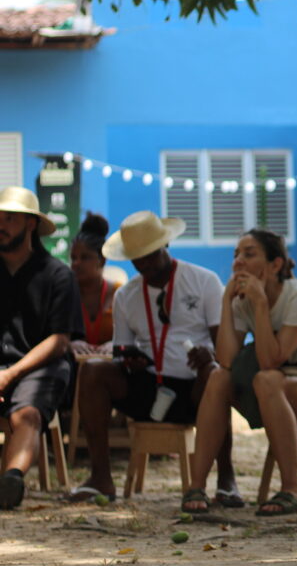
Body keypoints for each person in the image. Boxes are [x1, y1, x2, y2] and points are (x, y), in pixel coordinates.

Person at [182, 228, 297, 516]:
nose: (238, 262)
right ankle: (196, 485)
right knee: (218, 377)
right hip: (276, 391)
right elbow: (225, 360)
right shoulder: (241, 301)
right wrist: (226, 302)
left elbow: (272, 360)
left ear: (275, 265)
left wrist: (261, 304)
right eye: (236, 255)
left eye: (249, 255)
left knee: (267, 378)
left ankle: (293, 489)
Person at [69, 211, 235, 503]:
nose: (142, 263)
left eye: (148, 255)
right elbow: (121, 350)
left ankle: (226, 479)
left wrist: (209, 354)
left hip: (195, 388)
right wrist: (129, 360)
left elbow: (225, 347)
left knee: (216, 375)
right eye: (135, 257)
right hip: (149, 387)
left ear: (165, 246)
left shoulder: (204, 281)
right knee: (93, 371)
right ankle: (100, 478)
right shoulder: (127, 296)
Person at [0, 186, 81, 510]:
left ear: (31, 224)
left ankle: (11, 480)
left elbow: (59, 340)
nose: (1, 225)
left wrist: (9, 375)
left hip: (39, 366)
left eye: (9, 219)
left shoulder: (58, 275)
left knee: (28, 413)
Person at [69, 212, 120, 356]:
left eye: (85, 257)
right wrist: (67, 343)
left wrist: (117, 344)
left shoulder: (120, 293)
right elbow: (49, 335)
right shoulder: (64, 293)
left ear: (102, 260)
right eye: (73, 258)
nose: (76, 264)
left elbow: (136, 336)